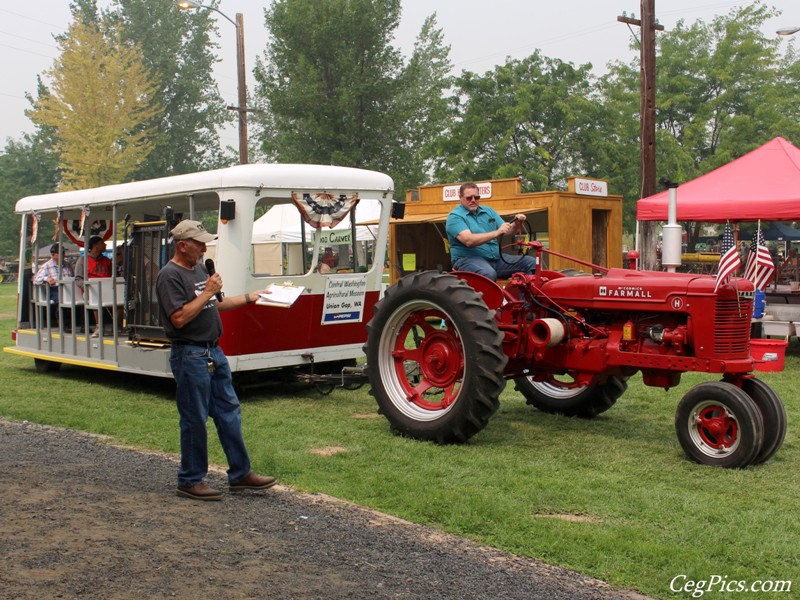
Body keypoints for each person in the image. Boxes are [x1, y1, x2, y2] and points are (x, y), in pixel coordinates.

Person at [156, 219, 276, 501]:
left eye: (204, 242)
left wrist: (250, 297)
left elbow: (215, 304)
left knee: (229, 413)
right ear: (182, 245)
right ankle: (190, 480)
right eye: (198, 244)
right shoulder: (169, 276)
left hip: (213, 353)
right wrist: (208, 291)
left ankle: (240, 474)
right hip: (190, 354)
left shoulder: (198, 269)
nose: (204, 248)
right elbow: (180, 317)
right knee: (195, 418)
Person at [445, 183, 537, 280]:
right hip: (468, 260)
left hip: (496, 260)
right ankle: (485, 295)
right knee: (488, 273)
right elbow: (468, 240)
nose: (473, 200)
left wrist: (517, 223)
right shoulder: (455, 217)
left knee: (530, 262)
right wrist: (497, 232)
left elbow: (507, 231)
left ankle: (524, 295)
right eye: (469, 198)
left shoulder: (488, 211)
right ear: (460, 197)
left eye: (476, 197)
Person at [74, 235, 113, 336]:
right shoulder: (82, 260)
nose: (105, 245)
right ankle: (99, 326)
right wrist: (87, 286)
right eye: (102, 243)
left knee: (120, 297)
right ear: (95, 245)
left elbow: (112, 275)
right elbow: (78, 279)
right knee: (95, 297)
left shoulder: (107, 261)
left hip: (107, 289)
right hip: (91, 290)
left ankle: (117, 326)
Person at [33, 243, 74, 324]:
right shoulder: (47, 265)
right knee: (61, 299)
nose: (64, 255)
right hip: (55, 289)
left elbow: (73, 276)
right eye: (61, 253)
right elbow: (36, 279)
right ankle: (62, 324)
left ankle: (81, 324)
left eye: (64, 253)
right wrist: (46, 279)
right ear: (53, 254)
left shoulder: (67, 264)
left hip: (69, 288)